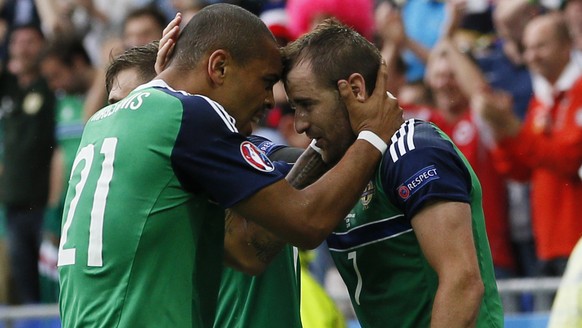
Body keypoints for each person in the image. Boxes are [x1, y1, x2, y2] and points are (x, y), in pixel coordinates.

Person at [57, 4, 402, 328]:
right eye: (265, 81)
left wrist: (321, 148)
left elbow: (246, 252)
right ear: (219, 67)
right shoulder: (190, 117)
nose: (269, 100)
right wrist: (372, 136)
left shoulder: (100, 124)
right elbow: (307, 223)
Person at [281, 18, 503, 327]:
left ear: (355, 89)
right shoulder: (337, 165)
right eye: (294, 108)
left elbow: (462, 284)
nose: (300, 123)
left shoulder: (413, 152)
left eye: (307, 104)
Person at [475, 12, 582, 278]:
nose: (532, 55)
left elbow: (569, 159)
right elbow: (520, 171)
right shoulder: (542, 99)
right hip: (547, 243)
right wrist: (502, 133)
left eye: (541, 46)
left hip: (576, 243)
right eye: (528, 47)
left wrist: (513, 129)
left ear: (566, 45)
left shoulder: (578, 92)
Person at [0, 23, 55, 305]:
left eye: (30, 41)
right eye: (16, 41)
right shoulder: (7, 87)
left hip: (45, 206)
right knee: (24, 289)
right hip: (12, 206)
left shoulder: (51, 84)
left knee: (51, 287)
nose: (22, 47)